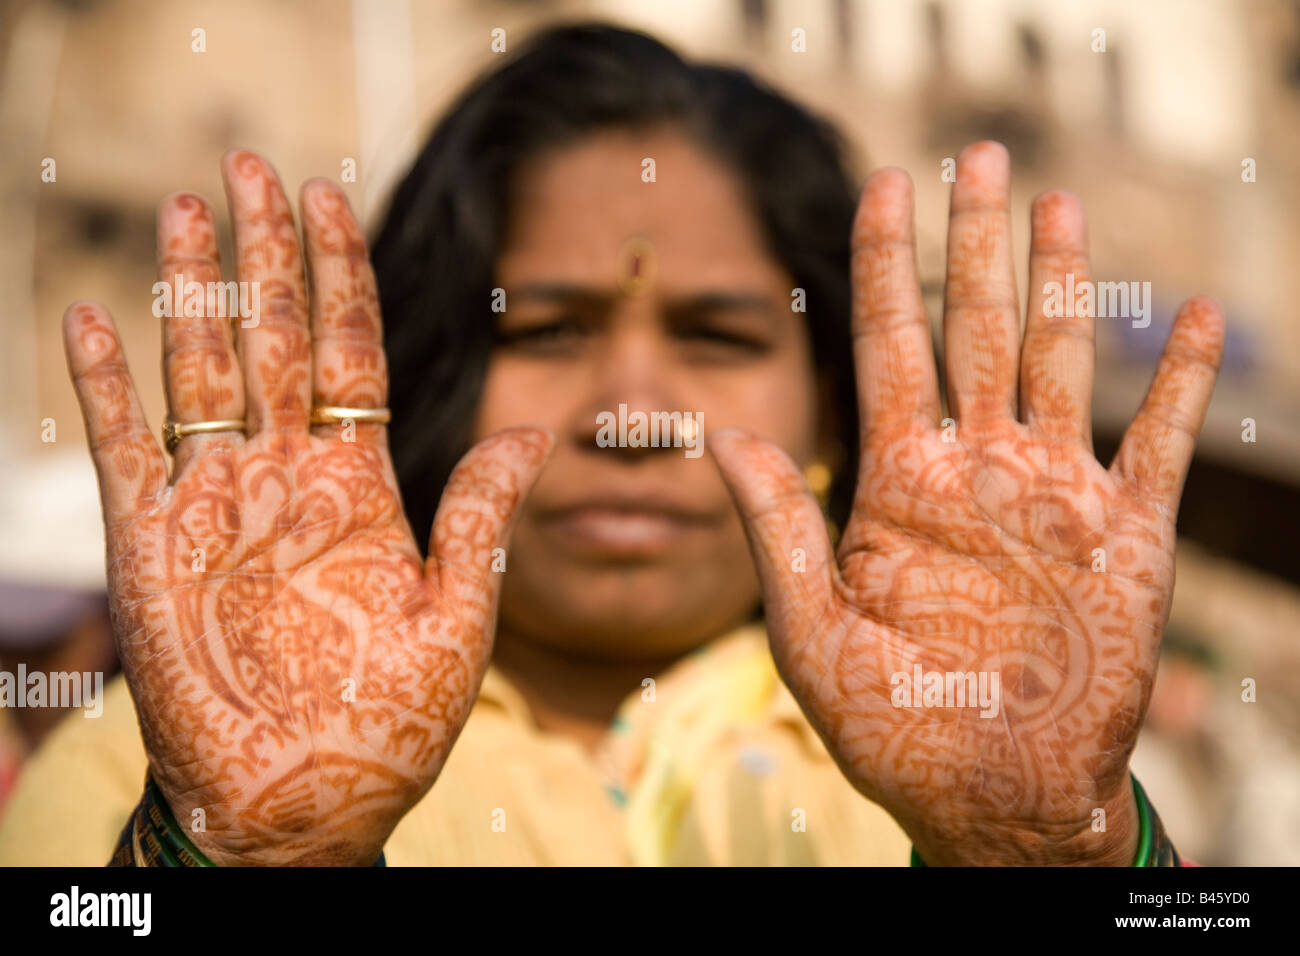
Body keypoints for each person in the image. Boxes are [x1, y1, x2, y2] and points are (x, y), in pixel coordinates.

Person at [0, 23, 1218, 866]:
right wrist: (249, 849)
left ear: (840, 409)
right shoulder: (160, 770)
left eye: (717, 335)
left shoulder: (1000, 741)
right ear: (423, 378)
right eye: (545, 327)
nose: (632, 410)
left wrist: (1046, 849)